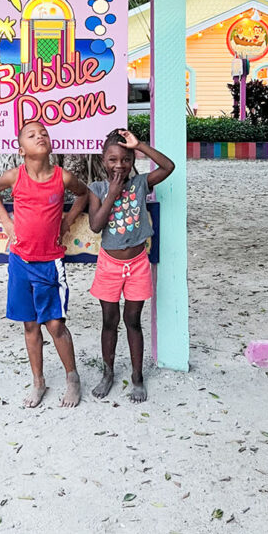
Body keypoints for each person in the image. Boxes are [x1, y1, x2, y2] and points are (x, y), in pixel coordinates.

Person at [0, 121, 89, 408]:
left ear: (51, 144)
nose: (40, 136)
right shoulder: (13, 177)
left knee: (55, 324)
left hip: (50, 264)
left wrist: (68, 221)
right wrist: (7, 222)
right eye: (32, 135)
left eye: (43, 133)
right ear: (21, 150)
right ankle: (38, 381)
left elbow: (84, 194)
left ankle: (72, 378)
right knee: (30, 325)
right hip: (20, 261)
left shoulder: (62, 177)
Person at [88, 128, 174, 403]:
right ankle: (108, 373)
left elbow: (168, 166)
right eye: (113, 160)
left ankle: (137, 378)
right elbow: (96, 225)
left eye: (126, 159)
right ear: (103, 160)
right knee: (109, 321)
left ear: (133, 159)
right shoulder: (97, 189)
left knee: (133, 321)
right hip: (109, 265)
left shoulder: (140, 185)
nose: (120, 165)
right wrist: (112, 193)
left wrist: (140, 145)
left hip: (137, 264)